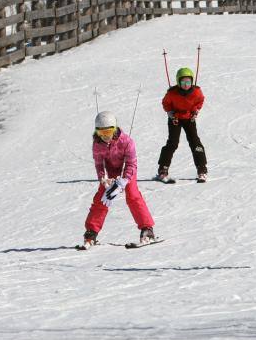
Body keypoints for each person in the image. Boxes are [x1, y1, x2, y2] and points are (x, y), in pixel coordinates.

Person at [80, 111, 156, 249]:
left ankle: (147, 229)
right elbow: (99, 164)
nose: (106, 136)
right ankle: (91, 232)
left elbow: (132, 164)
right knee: (102, 197)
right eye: (101, 133)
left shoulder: (127, 141)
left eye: (109, 131)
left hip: (127, 171)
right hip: (111, 173)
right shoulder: (98, 144)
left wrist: (123, 181)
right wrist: (103, 178)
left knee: (133, 195)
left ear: (115, 129)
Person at [157, 67, 208, 183]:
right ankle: (162, 169)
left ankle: (202, 169)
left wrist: (195, 110)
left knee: (195, 141)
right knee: (172, 143)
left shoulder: (196, 92)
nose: (186, 85)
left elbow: (200, 100)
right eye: (183, 82)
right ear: (178, 82)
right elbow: (165, 103)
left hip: (189, 118)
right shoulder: (172, 93)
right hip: (175, 118)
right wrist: (170, 113)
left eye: (188, 82)